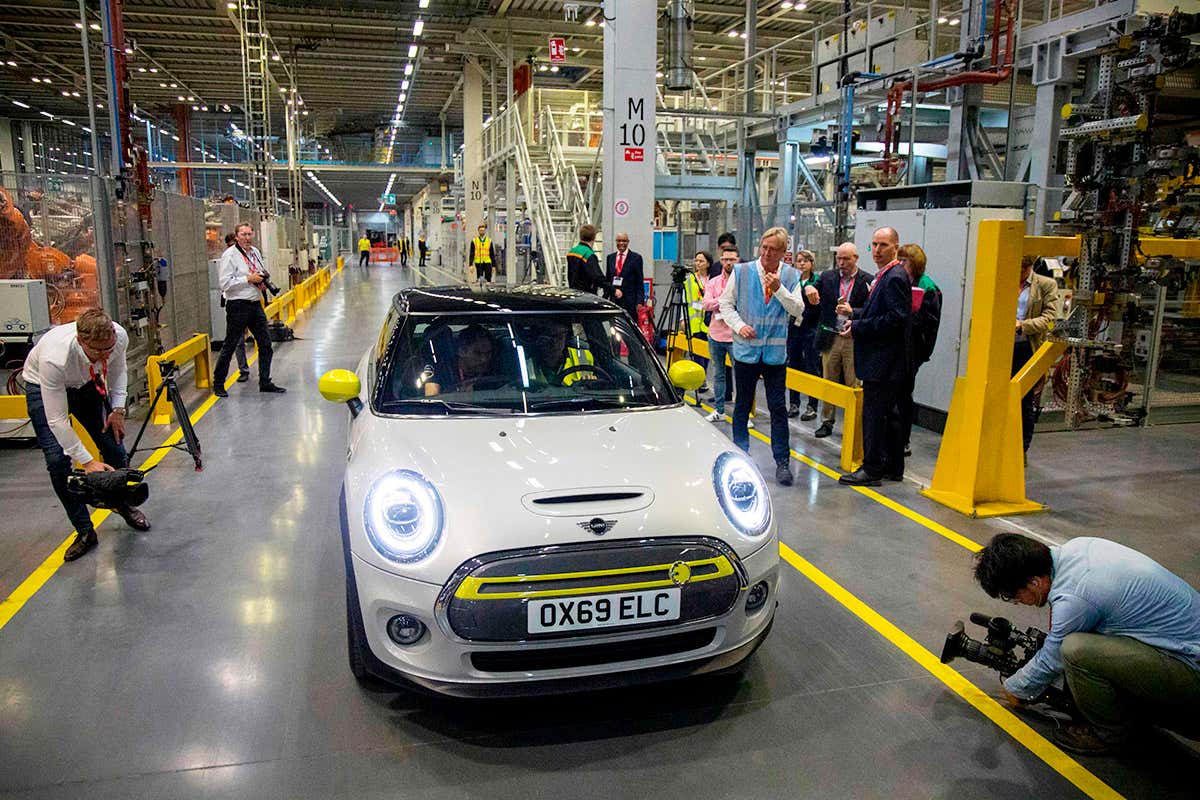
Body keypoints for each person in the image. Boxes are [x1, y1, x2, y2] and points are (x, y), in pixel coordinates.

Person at [975, 533, 1200, 755]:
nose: (1018, 602)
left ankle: (1110, 734)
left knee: (1075, 650)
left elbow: (1053, 657)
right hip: (1182, 643)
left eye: (1014, 596)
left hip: (1190, 665)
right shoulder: (1077, 548)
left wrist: (1016, 689)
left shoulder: (1075, 596)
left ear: (1035, 582)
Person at [23, 308, 151, 561]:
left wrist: (118, 409)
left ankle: (122, 505)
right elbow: (57, 421)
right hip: (43, 386)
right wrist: (88, 461)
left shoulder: (118, 338)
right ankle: (84, 531)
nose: (105, 355)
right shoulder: (54, 359)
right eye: (98, 351)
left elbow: (118, 370)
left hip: (86, 383)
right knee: (57, 461)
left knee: (114, 446)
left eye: (109, 349)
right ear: (81, 341)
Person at [718, 226, 806, 486]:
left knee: (778, 408)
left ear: (783, 252)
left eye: (773, 249)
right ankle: (741, 457)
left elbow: (798, 309)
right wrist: (739, 325)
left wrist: (779, 289)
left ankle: (782, 462)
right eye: (764, 247)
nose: (766, 253)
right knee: (742, 406)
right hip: (746, 351)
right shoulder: (742, 272)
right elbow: (726, 304)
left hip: (775, 355)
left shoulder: (791, 276)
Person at [838, 227, 911, 486]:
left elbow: (895, 319)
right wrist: (856, 315)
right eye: (874, 245)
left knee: (875, 416)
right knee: (887, 415)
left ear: (895, 247)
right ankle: (892, 466)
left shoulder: (894, 277)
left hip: (883, 361)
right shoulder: (886, 275)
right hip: (883, 361)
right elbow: (881, 311)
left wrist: (858, 327)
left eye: (883, 245)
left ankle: (871, 468)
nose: (877, 250)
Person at [212, 222, 286, 397]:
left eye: (249, 234)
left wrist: (261, 280)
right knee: (230, 345)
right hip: (238, 305)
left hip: (255, 304)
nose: (247, 238)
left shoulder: (255, 252)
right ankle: (218, 383)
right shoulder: (230, 255)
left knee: (266, 344)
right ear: (237, 236)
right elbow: (224, 283)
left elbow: (258, 271)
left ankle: (265, 381)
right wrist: (248, 279)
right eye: (243, 235)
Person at [811, 242, 873, 438]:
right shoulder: (827, 276)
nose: (841, 263)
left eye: (846, 259)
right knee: (828, 380)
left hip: (853, 338)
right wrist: (809, 289)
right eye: (839, 258)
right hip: (831, 336)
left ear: (856, 258)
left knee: (854, 382)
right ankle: (826, 421)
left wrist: (853, 311)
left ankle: (853, 425)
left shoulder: (868, 281)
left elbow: (872, 311)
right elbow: (812, 288)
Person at [898, 244, 941, 456]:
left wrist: (903, 315)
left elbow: (928, 322)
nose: (900, 264)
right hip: (895, 347)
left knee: (903, 395)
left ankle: (903, 440)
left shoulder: (927, 287)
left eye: (904, 261)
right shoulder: (899, 281)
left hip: (912, 350)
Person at [1015, 255, 1060, 455]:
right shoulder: (1004, 279)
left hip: (1026, 348)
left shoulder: (1045, 285)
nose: (1019, 273)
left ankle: (1021, 450)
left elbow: (1050, 318)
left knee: (1024, 401)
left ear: (1030, 267)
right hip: (1002, 348)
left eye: (1023, 269)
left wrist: (1023, 325)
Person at [700, 247, 746, 427]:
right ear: (721, 261)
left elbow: (745, 305)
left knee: (741, 377)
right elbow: (706, 304)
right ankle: (719, 411)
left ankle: (743, 416)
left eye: (732, 259)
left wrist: (719, 302)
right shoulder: (713, 282)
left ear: (738, 260)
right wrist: (725, 301)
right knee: (718, 375)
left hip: (736, 336)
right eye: (725, 259)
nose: (728, 263)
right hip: (716, 335)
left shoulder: (743, 283)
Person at [787, 249, 821, 421]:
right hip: (794, 328)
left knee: (811, 366)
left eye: (805, 261)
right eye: (799, 261)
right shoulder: (792, 282)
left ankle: (812, 406)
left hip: (811, 329)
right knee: (793, 364)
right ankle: (794, 403)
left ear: (811, 264)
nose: (801, 264)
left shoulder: (817, 282)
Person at [421, 324, 496, 396]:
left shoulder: (494, 372)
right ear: (461, 351)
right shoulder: (442, 371)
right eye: (477, 353)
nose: (484, 359)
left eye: (488, 353)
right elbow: (431, 400)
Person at [222, 233, 251, 384]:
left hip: (250, 302)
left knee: (263, 340)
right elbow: (225, 283)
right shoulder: (228, 258)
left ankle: (264, 376)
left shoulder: (249, 256)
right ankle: (243, 370)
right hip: (235, 305)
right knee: (236, 340)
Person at [603, 232, 644, 321]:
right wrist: (605, 298)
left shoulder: (636, 258)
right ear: (616, 242)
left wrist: (639, 301)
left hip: (630, 302)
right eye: (619, 241)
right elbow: (608, 279)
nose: (621, 243)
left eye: (624, 241)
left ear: (628, 242)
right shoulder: (610, 258)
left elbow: (639, 282)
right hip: (614, 301)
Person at [566, 224, 608, 295]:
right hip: (586, 294)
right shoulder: (588, 254)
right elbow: (597, 277)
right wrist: (613, 290)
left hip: (573, 292)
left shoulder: (572, 252)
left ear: (580, 236)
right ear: (594, 237)